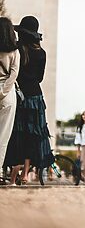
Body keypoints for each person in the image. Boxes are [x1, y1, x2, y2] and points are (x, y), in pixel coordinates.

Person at [6, 16, 54, 185]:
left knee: (17, 135)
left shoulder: (17, 49)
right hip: (36, 97)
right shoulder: (42, 53)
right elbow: (40, 78)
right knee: (33, 136)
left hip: (19, 96)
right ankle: (25, 173)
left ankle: (12, 174)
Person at [0, 17, 20, 181]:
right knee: (3, 137)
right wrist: (3, 92)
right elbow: (14, 74)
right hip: (7, 95)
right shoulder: (14, 51)